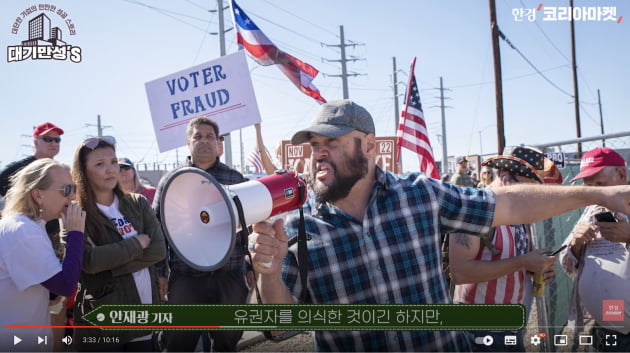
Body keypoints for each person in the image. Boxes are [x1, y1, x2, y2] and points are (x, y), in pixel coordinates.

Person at [247, 99, 630, 352]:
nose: (319, 154)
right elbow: (280, 326)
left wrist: (598, 196)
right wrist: (267, 271)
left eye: (330, 142)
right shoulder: (298, 224)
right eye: (313, 145)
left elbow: (505, 203)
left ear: (369, 146)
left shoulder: (420, 195)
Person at [154, 116, 249, 352]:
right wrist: (159, 273)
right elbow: (157, 230)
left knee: (227, 343)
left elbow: (248, 229)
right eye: (198, 136)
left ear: (218, 143)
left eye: (209, 136)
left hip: (229, 275)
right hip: (186, 276)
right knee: (178, 342)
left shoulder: (235, 179)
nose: (203, 141)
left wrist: (248, 268)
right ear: (188, 142)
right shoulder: (170, 181)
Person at [449, 146, 557, 352]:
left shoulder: (522, 215)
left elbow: (519, 260)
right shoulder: (474, 208)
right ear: (507, 177)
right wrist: (524, 262)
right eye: (530, 191)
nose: (534, 200)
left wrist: (537, 267)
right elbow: (461, 272)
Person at [71, 136, 166, 352]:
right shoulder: (75, 213)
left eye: (113, 162)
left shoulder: (137, 203)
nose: (111, 169)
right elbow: (88, 263)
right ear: (84, 171)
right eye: (99, 164)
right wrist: (136, 244)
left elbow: (158, 250)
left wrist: (107, 262)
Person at [0, 158, 85, 352]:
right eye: (65, 190)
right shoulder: (23, 231)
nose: (72, 197)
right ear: (38, 195)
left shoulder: (29, 226)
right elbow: (65, 285)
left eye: (74, 189)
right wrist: (75, 233)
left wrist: (47, 293)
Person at [559, 147, 630, 351]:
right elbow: (569, 265)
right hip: (607, 326)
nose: (593, 194)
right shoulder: (591, 210)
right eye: (588, 188)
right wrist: (576, 243)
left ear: (621, 175)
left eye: (599, 185)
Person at [0, 122, 64, 197]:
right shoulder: (22, 167)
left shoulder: (61, 170)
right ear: (36, 143)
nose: (53, 143)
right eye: (48, 139)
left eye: (57, 140)